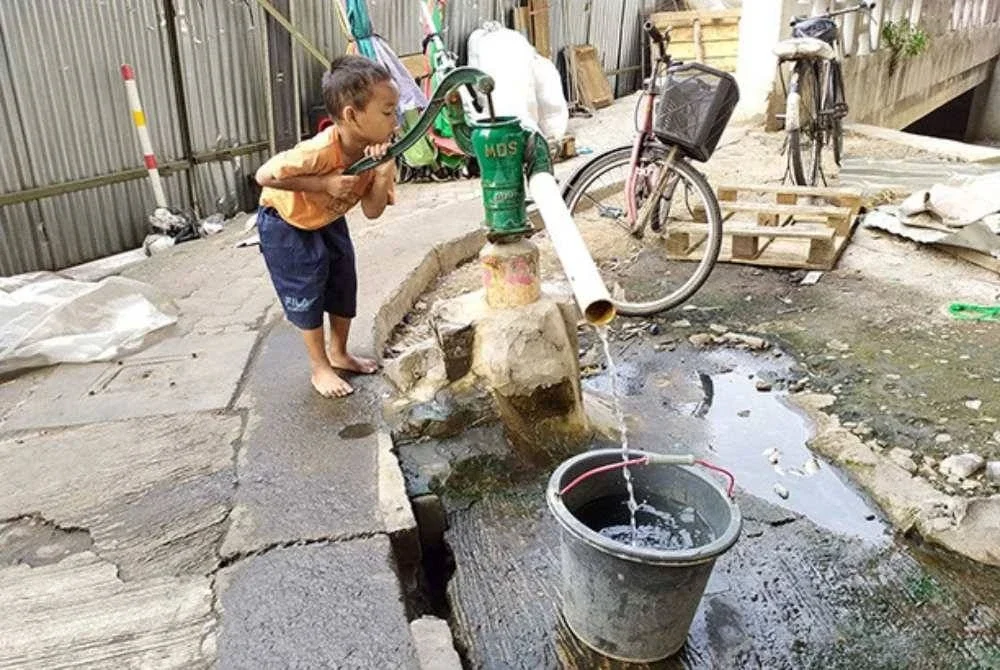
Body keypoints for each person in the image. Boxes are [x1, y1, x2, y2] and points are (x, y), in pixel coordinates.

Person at [255, 55, 399, 398]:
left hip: (328, 220)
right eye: (388, 111)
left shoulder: (378, 155)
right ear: (352, 115)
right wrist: (323, 185)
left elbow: (373, 211)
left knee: (342, 282)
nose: (396, 121)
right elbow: (264, 176)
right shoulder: (317, 152)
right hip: (285, 223)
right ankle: (320, 367)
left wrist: (383, 173)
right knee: (307, 291)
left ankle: (340, 352)